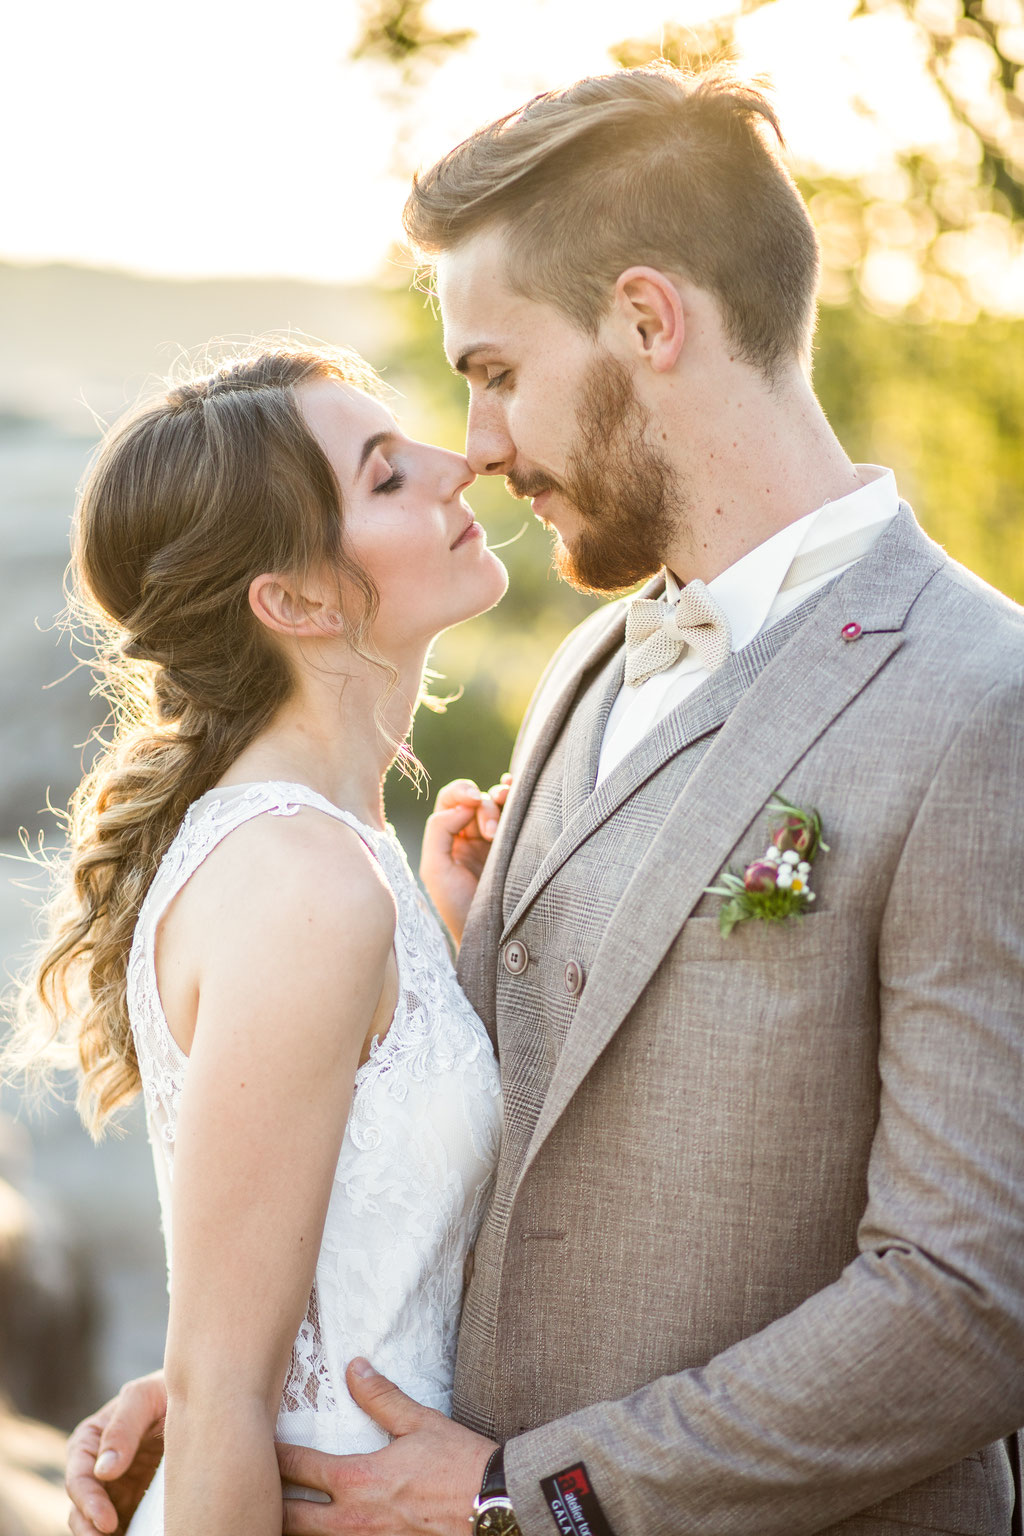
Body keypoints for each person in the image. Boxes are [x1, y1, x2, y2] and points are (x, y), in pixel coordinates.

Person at [67, 65, 1024, 1536]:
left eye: (496, 373)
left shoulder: (982, 698)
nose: (484, 447)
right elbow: (467, 1135)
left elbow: (968, 1304)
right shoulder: (591, 664)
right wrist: (240, 1394)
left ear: (648, 322)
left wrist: (532, 1497)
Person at [12, 343, 515, 1535]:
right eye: (388, 478)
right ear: (292, 601)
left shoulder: (340, 854)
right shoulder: (301, 883)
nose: (460, 466)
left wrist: (452, 953)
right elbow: (226, 1396)